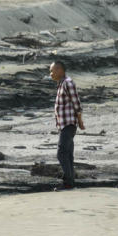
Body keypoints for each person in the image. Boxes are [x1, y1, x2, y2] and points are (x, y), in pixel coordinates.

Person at [50, 60, 84, 190]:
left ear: (60, 70)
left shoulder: (68, 83)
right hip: (65, 124)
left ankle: (68, 183)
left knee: (61, 153)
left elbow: (77, 104)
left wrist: (80, 121)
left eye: (52, 71)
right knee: (68, 153)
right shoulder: (62, 84)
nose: (51, 74)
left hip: (69, 124)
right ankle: (71, 183)